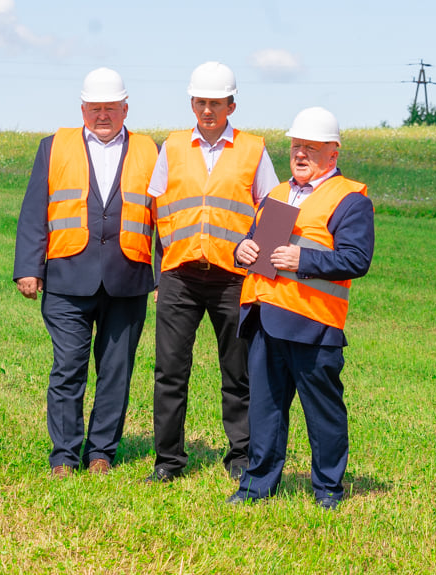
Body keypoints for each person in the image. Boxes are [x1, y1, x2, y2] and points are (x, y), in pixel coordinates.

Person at [13, 68, 159, 478]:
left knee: (116, 372)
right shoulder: (54, 147)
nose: (102, 115)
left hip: (127, 278)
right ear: (82, 108)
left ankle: (101, 454)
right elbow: (33, 211)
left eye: (110, 108)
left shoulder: (152, 150)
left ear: (125, 108)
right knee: (68, 367)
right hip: (66, 278)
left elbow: (165, 218)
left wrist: (163, 276)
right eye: (95, 108)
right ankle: (63, 455)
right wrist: (29, 267)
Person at [227, 107, 374, 509]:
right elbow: (254, 243)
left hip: (313, 322)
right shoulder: (276, 193)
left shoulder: (350, 199)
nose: (301, 154)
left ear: (333, 153)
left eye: (311, 147)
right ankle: (256, 487)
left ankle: (328, 489)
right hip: (264, 317)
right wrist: (242, 249)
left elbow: (357, 259)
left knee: (322, 410)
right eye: (296, 146)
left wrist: (303, 262)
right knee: (264, 409)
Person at [145, 62, 279, 483]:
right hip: (180, 276)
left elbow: (274, 213)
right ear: (191, 103)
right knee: (169, 371)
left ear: (231, 105)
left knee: (238, 372)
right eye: (201, 102)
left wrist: (260, 277)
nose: (207, 110)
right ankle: (168, 461)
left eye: (216, 103)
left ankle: (241, 458)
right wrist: (156, 275)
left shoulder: (253, 149)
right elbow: (156, 212)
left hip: (233, 279)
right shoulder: (172, 146)